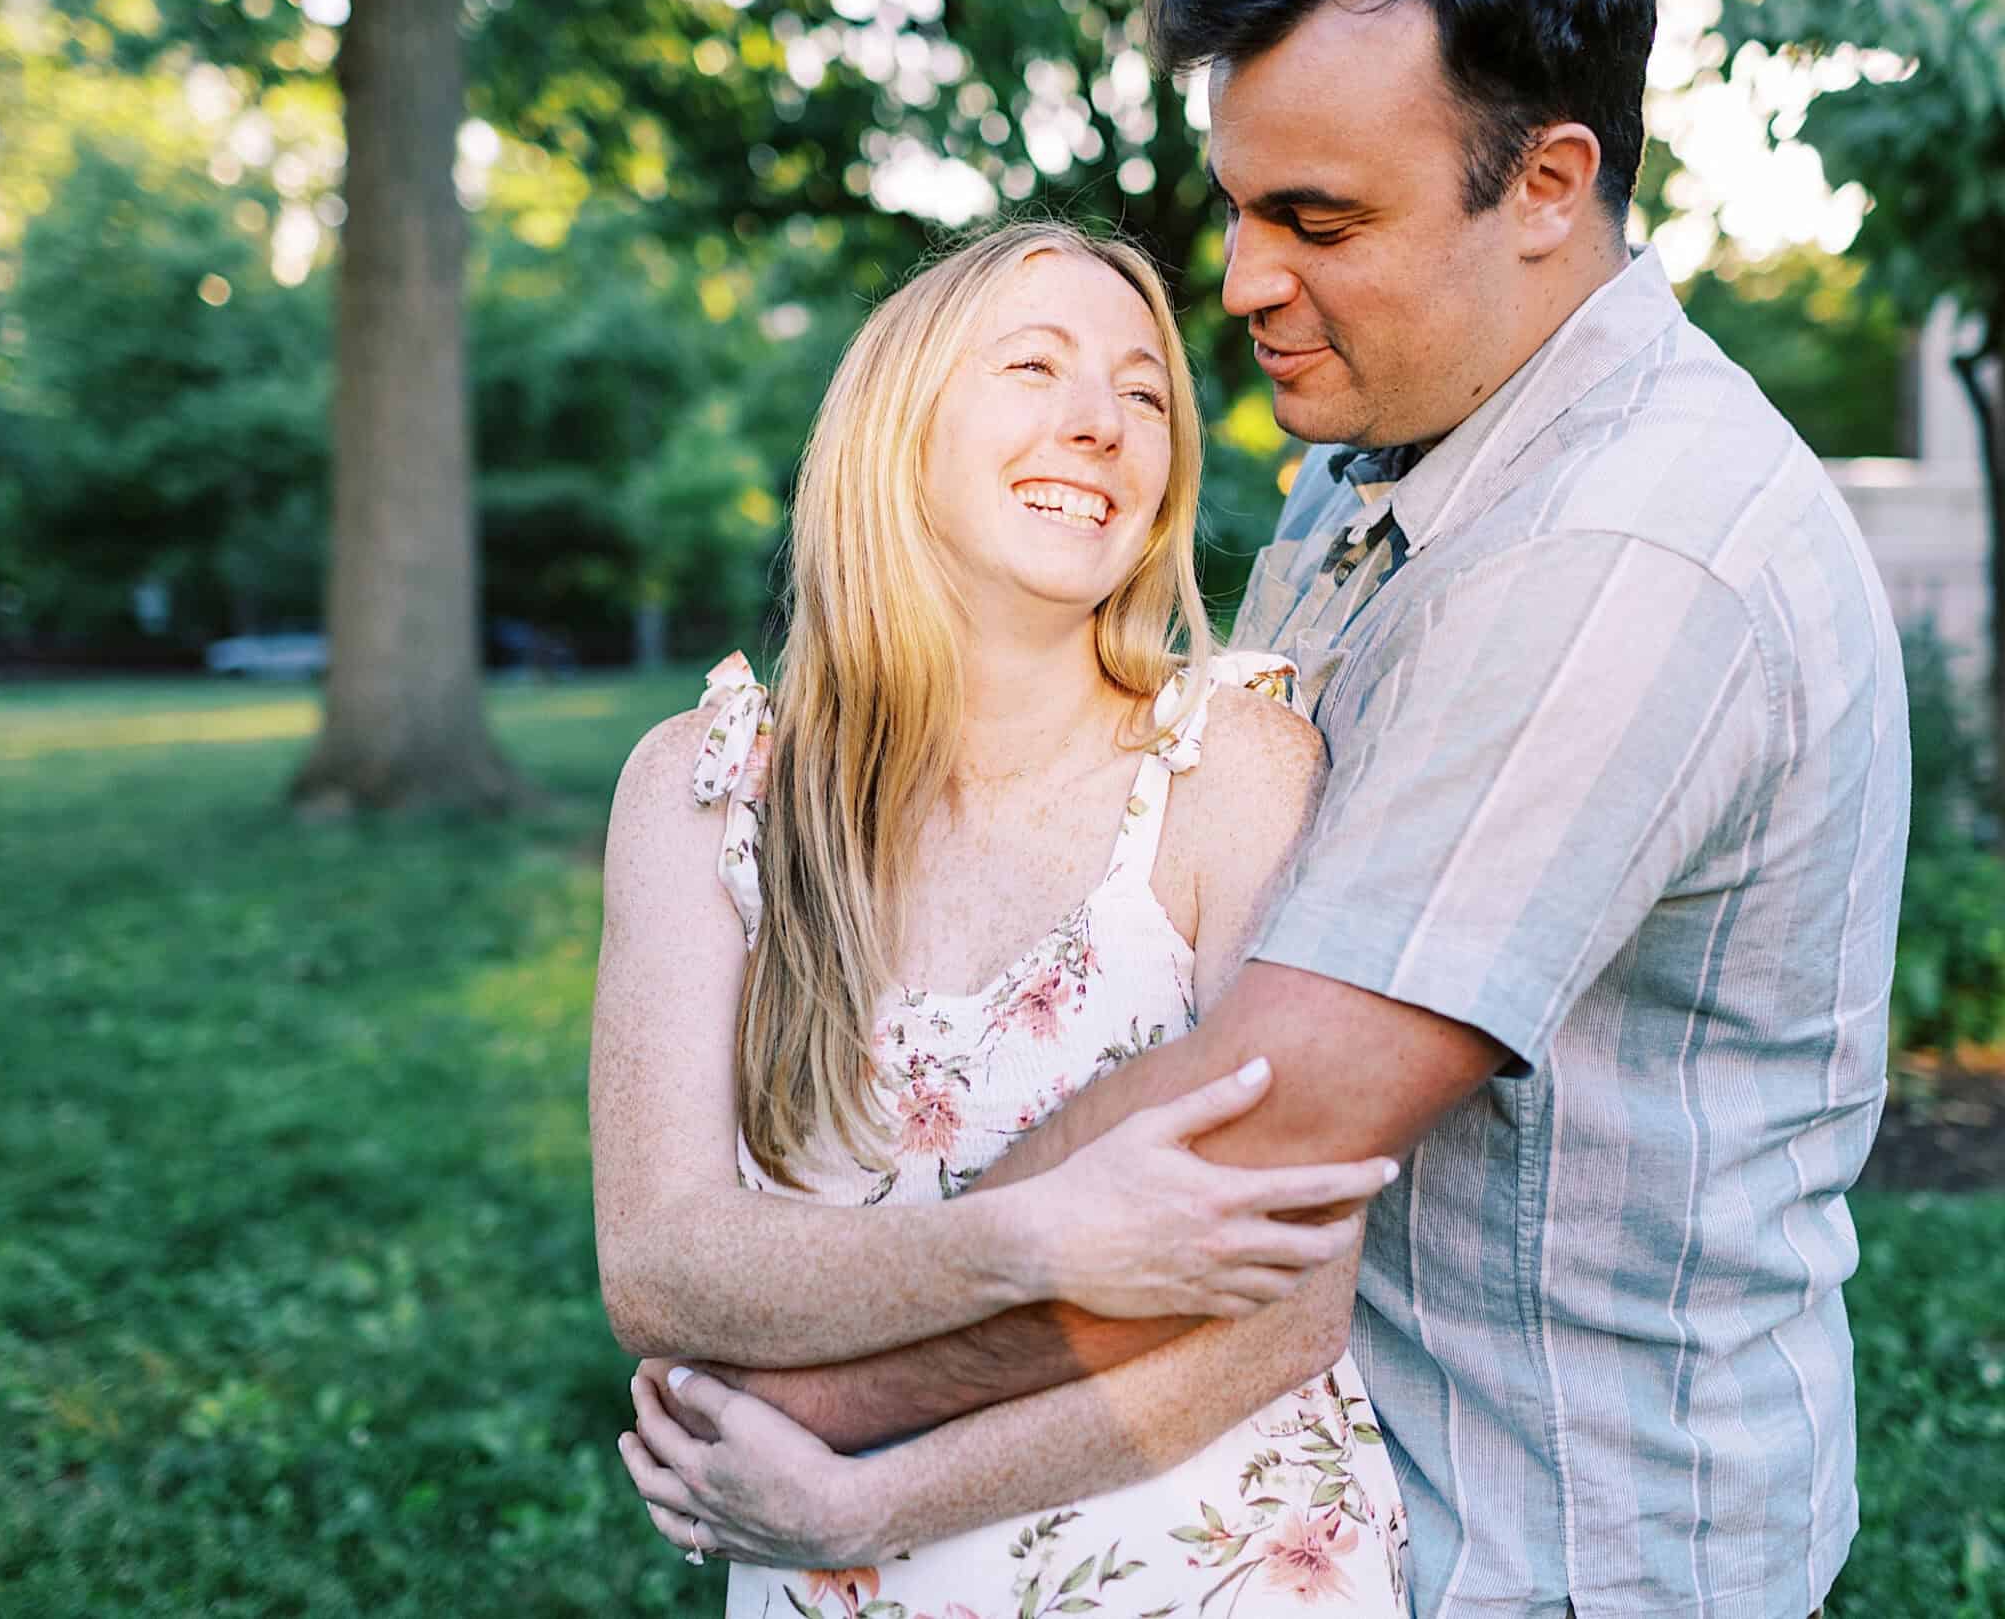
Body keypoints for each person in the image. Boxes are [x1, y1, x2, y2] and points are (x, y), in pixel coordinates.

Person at [618, 0, 1911, 1618]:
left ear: (1546, 185)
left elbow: (1255, 1141)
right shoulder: (1369, 465)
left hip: (1555, 1540)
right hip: (1323, 1479)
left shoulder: (1627, 556)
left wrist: (800, 1413)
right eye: (1238, 205)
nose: (1235, 283)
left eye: (1319, 219)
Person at [592, 220, 1413, 1613]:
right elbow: (666, 1269)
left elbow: (1290, 1304)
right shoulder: (708, 788)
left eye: (1146, 393)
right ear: (896, 428)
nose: (1099, 423)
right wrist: (1039, 1238)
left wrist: (868, 1498)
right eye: (1033, 366)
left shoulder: (1231, 769)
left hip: (1203, 1563)